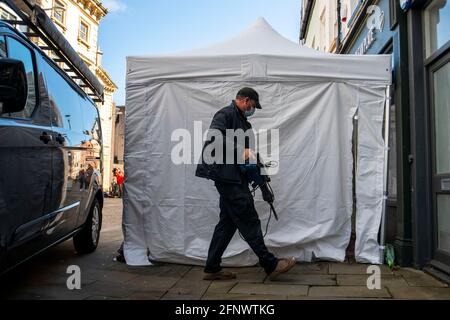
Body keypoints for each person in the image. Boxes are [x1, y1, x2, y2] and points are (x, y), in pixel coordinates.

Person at [196, 87, 296, 281]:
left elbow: (247, 158)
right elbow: (214, 138)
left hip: (234, 177)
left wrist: (259, 178)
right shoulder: (225, 114)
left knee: (228, 223)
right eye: (253, 105)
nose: (253, 109)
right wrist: (240, 150)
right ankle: (270, 264)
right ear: (246, 101)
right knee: (248, 218)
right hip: (226, 177)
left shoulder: (244, 123)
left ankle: (212, 267)